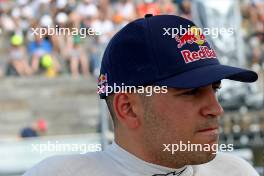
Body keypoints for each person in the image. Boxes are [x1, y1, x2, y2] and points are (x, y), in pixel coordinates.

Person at [23, 15, 260, 176]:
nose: (216, 108)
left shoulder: (235, 171)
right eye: (192, 92)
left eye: (214, 89)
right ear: (128, 108)